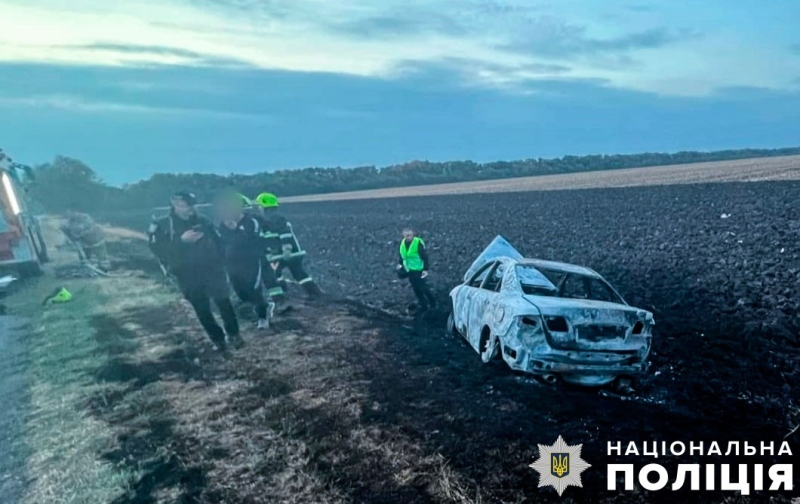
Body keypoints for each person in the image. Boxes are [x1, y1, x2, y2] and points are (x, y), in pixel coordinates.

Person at [147, 191, 243, 352]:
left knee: (224, 302)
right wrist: (181, 241)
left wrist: (223, 256)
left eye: (192, 205)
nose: (189, 209)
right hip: (186, 273)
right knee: (202, 308)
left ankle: (234, 334)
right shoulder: (162, 225)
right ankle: (218, 340)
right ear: (174, 204)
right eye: (185, 205)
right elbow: (158, 249)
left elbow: (219, 241)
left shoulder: (203, 220)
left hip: (212, 268)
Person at [214, 192, 275, 331]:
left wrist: (236, 230)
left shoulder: (251, 222)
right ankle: (263, 306)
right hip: (232, 263)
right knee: (240, 292)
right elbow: (221, 242)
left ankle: (262, 317)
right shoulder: (222, 225)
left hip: (251, 260)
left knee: (255, 289)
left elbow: (251, 241)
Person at [252, 192, 323, 299]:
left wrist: (287, 249)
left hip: (290, 253)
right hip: (279, 254)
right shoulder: (267, 220)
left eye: (259, 206)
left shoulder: (276, 218)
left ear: (264, 206)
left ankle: (313, 294)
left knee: (295, 272)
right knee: (279, 272)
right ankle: (311, 294)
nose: (258, 208)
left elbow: (285, 234)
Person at [397, 227, 437, 313]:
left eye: (410, 235)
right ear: (403, 235)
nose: (409, 237)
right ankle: (423, 304)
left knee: (422, 287)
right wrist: (400, 264)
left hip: (418, 269)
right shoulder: (403, 244)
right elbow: (402, 254)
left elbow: (425, 256)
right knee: (416, 288)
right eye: (407, 235)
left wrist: (425, 269)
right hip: (409, 269)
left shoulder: (417, 243)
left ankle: (432, 302)